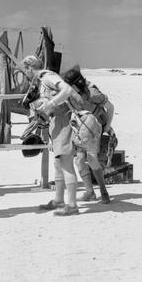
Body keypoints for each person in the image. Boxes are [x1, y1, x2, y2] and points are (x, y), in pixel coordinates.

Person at [22, 55, 79, 216]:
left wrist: (51, 103)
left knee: (66, 163)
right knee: (58, 163)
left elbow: (67, 90)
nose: (25, 74)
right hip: (56, 122)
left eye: (25, 70)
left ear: (30, 67)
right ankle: (59, 200)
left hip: (64, 122)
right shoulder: (43, 79)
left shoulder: (48, 77)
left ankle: (72, 205)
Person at [63, 66, 112, 204]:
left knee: (92, 159)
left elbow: (110, 107)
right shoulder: (71, 94)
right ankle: (90, 192)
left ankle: (104, 192)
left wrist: (107, 126)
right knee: (79, 160)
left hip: (95, 129)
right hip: (81, 129)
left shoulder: (93, 93)